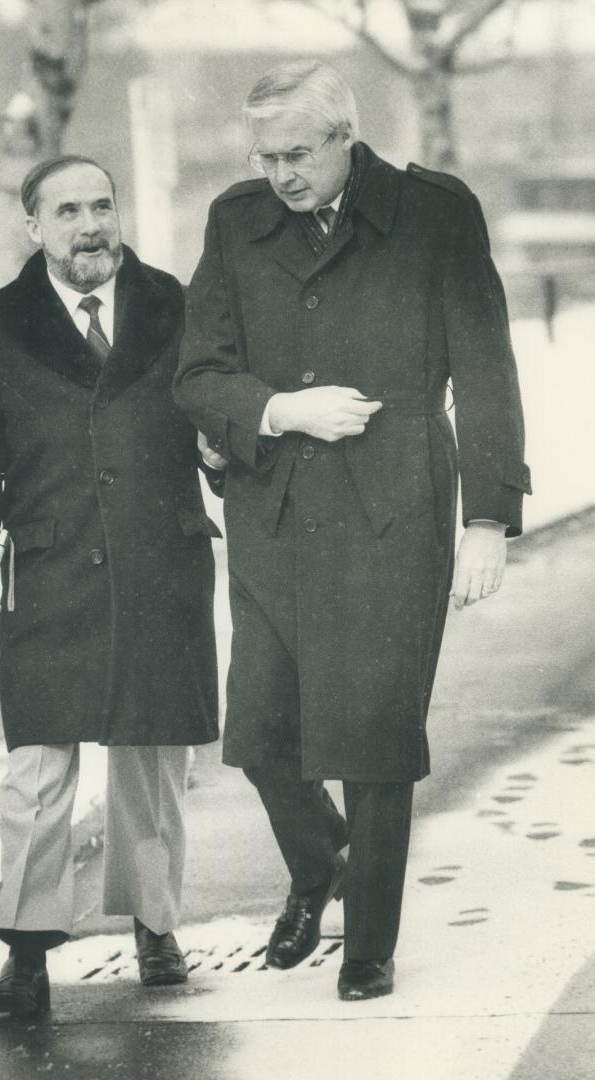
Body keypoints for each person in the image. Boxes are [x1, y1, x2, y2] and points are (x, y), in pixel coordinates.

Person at [175, 61, 530, 1002]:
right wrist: (281, 410)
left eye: (296, 153)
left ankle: (369, 941)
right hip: (273, 505)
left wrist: (489, 516)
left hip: (397, 504)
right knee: (259, 730)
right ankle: (321, 862)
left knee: (374, 735)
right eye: (265, 154)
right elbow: (198, 373)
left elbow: (488, 368)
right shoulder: (235, 220)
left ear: (344, 138)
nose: (280, 172)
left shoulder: (433, 214)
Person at [0, 155, 222, 1015]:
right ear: (34, 227)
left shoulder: (177, 307)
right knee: (37, 768)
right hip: (50, 569)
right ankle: (26, 950)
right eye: (67, 212)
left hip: (158, 565)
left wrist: (221, 452)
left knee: (151, 761)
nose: (90, 225)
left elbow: (218, 409)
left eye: (101, 206)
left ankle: (154, 926)